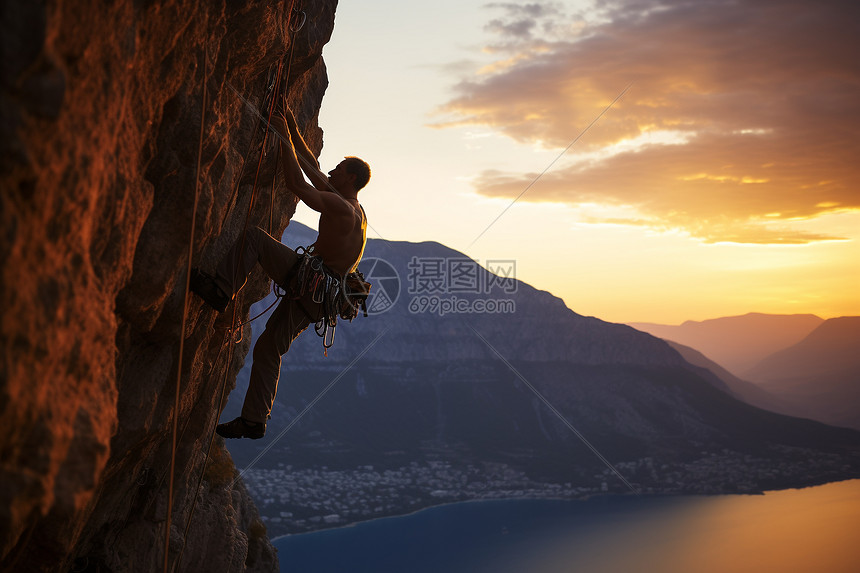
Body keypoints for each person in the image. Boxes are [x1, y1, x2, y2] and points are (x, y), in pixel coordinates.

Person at [190, 108, 370, 439]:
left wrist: (281, 138)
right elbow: (312, 166)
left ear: (352, 179)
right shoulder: (355, 209)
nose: (332, 170)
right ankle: (255, 419)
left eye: (339, 170)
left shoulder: (343, 210)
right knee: (269, 348)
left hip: (313, 284)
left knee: (257, 239)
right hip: (318, 293)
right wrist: (288, 119)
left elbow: (297, 184)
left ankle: (220, 289)